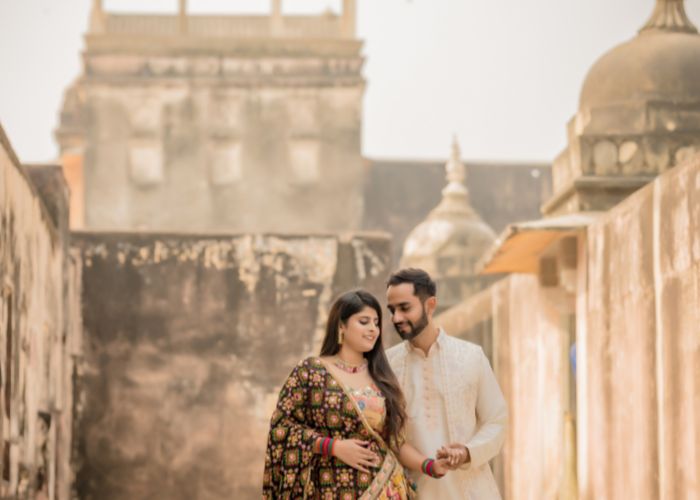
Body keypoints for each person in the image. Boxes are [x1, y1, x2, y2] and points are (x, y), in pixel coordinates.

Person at [262, 289, 451, 499]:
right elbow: (281, 429)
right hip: (330, 491)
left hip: (387, 489)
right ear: (341, 326)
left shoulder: (381, 376)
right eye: (364, 322)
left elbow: (395, 442)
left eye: (376, 322)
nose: (373, 329)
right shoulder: (311, 372)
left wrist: (430, 466)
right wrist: (332, 447)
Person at [385, 268, 507, 499]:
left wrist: (467, 452)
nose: (396, 318)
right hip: (413, 492)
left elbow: (496, 421)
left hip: (471, 491)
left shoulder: (471, 356)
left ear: (430, 305)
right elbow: (386, 435)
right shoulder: (388, 365)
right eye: (392, 310)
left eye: (405, 308)